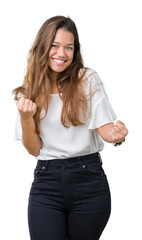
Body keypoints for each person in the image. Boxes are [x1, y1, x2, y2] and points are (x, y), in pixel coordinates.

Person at [13, 16, 128, 240]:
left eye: (69, 47)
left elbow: (104, 128)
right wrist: (26, 118)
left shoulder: (87, 79)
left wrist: (115, 135)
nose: (61, 53)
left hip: (89, 182)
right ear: (42, 47)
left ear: (75, 51)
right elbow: (34, 149)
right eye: (54, 46)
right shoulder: (28, 92)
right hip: (46, 185)